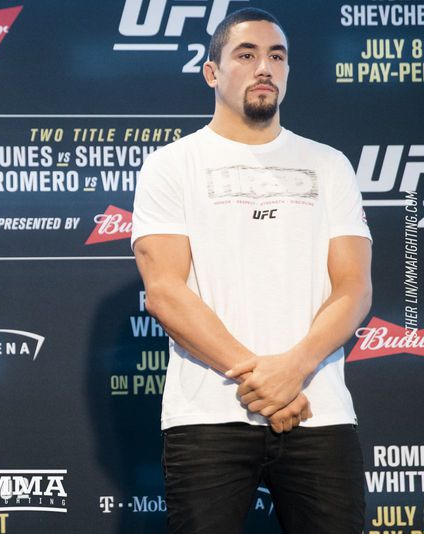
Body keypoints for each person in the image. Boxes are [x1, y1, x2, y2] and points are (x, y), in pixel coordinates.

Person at [131, 8, 371, 534]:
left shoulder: (330, 164)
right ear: (211, 72)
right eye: (246, 54)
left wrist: (294, 369)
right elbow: (166, 293)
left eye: (276, 56)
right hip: (209, 416)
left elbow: (353, 288)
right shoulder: (171, 166)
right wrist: (268, 382)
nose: (264, 67)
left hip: (319, 411)